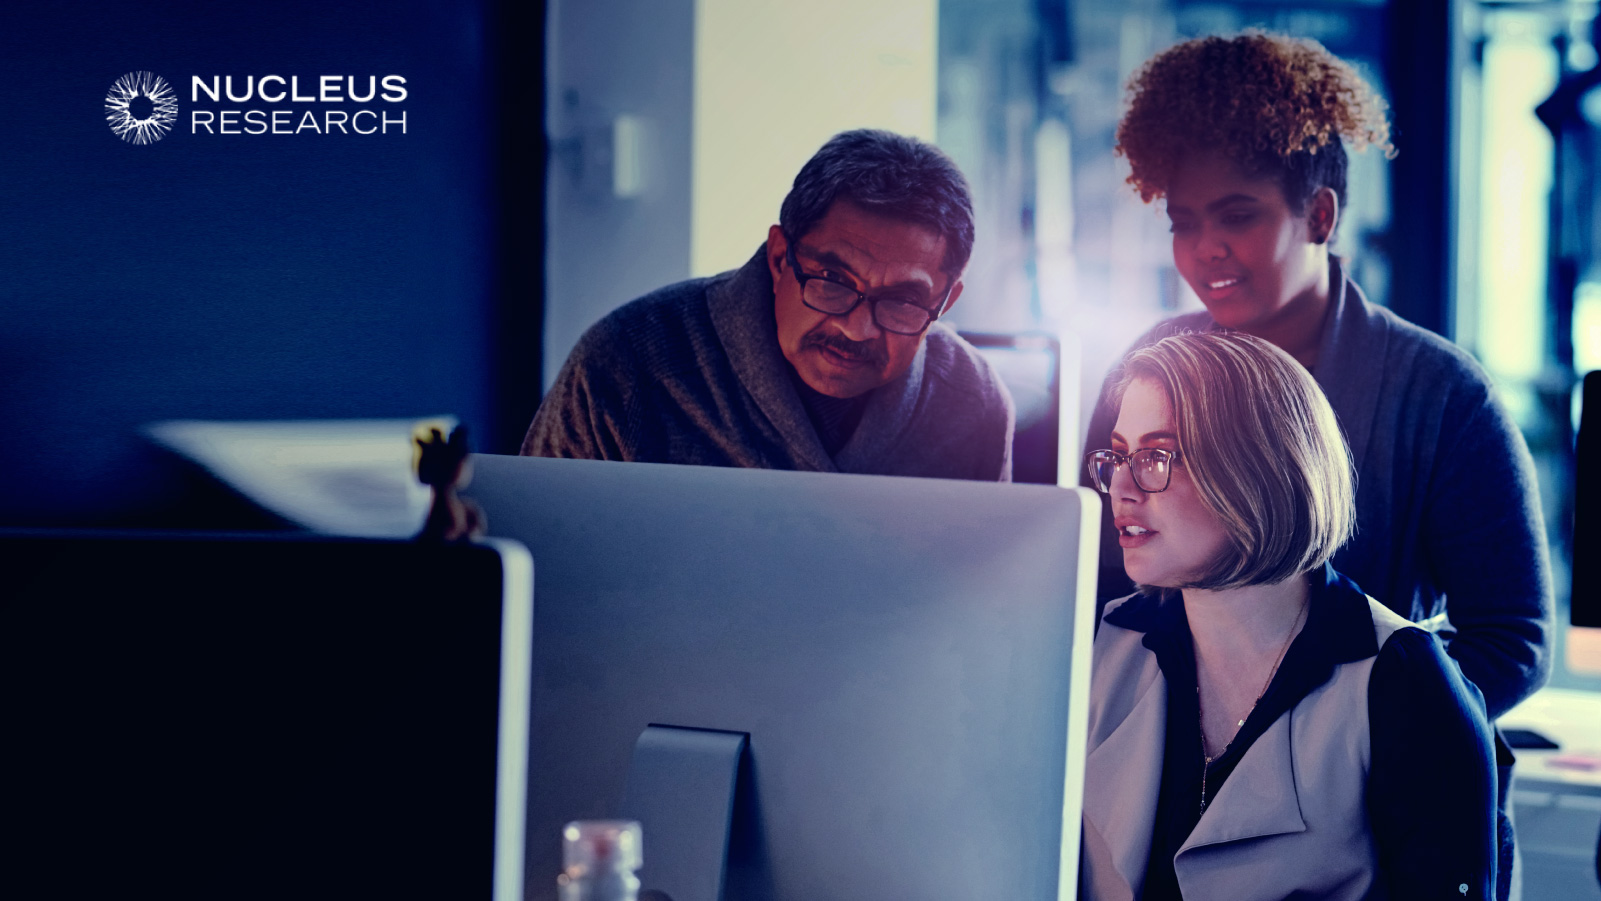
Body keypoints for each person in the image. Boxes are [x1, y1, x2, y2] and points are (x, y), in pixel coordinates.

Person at [1082, 34, 1551, 894]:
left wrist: (1383, 726)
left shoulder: (1438, 394)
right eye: (1184, 223)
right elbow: (1108, 579)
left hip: (1372, 810)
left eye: (1239, 215)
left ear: (1322, 217)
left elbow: (1512, 634)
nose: (1203, 252)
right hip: (1172, 770)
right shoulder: (1151, 370)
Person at [1080, 331, 1496, 900]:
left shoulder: (1405, 683)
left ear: (1255, 469)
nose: (1120, 488)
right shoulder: (1099, 642)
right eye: (1118, 456)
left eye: (1155, 456)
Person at [522, 129, 1014, 481]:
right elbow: (536, 575)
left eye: (903, 301)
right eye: (832, 280)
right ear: (780, 257)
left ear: (946, 301)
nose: (857, 328)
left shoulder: (974, 403)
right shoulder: (626, 366)